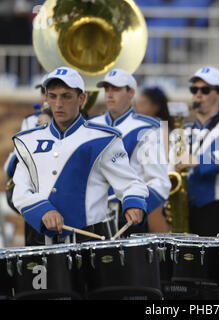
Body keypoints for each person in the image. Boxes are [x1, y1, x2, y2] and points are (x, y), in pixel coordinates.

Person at [11, 66, 148, 243]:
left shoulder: (103, 139)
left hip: (89, 243)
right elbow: (20, 190)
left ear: (81, 98)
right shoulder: (28, 140)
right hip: (40, 241)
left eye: (66, 96)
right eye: (53, 96)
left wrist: (133, 204)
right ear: (46, 98)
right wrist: (43, 210)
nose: (59, 104)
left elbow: (130, 184)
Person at [91, 69, 171, 234]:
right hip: (91, 215)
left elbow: (159, 181)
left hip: (127, 215)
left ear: (131, 92)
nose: (109, 94)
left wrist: (138, 206)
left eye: (116, 89)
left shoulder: (147, 128)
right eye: (107, 89)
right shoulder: (91, 125)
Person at [172, 66, 219, 237]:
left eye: (205, 89)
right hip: (185, 209)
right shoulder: (181, 131)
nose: (198, 94)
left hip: (218, 211)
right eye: (194, 89)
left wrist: (199, 160)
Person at [4, 74, 53, 246]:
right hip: (35, 198)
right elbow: (19, 159)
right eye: (43, 92)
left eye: (50, 92)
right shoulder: (30, 121)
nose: (45, 97)